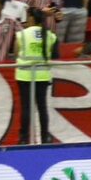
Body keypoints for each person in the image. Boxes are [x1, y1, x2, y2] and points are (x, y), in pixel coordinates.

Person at [14, 9, 58, 145]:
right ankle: (45, 137)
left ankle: (23, 138)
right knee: (42, 107)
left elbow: (16, 53)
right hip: (42, 75)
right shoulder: (50, 35)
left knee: (26, 107)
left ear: (32, 18)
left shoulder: (22, 34)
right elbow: (55, 55)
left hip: (24, 75)